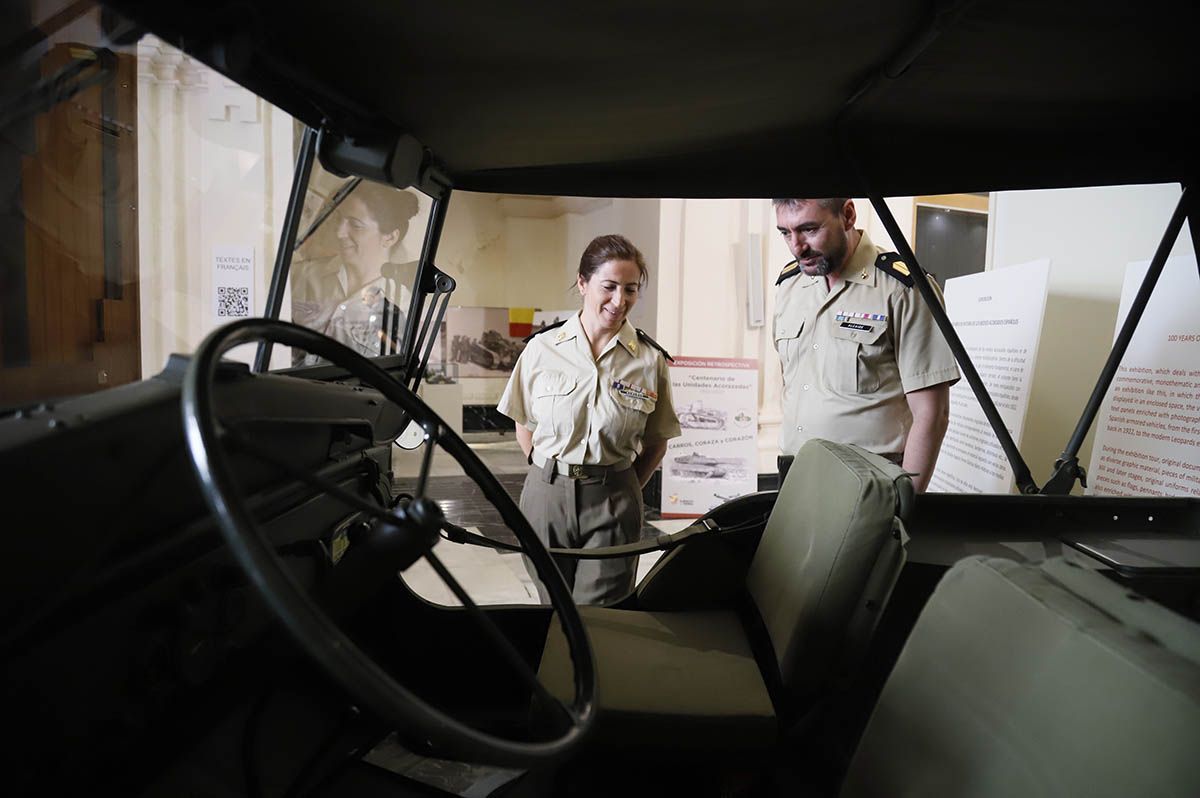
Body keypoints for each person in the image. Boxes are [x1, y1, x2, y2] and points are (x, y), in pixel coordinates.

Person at [498, 234, 681, 605]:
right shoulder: (541, 349)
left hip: (613, 496)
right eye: (609, 287)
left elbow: (657, 440)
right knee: (551, 607)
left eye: (630, 290)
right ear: (583, 283)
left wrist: (623, 485)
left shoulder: (648, 360)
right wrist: (545, 471)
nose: (619, 301)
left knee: (600, 613)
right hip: (545, 495)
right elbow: (524, 421)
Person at [772, 198, 959, 492]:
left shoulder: (903, 289)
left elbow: (933, 415)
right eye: (785, 232)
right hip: (794, 472)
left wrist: (904, 505)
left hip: (869, 480)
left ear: (847, 215)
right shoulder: (789, 286)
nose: (797, 247)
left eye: (809, 229)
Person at [292, 180, 420, 364]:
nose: (340, 232)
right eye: (339, 219)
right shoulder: (299, 275)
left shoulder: (405, 309)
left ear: (390, 237)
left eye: (356, 225)